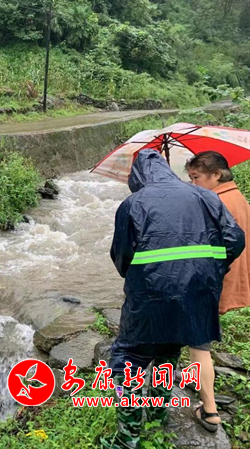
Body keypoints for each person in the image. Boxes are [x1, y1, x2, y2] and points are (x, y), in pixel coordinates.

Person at [101, 150, 245, 449]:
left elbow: (121, 256)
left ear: (138, 177)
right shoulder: (205, 196)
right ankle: (157, 415)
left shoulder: (133, 203)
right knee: (168, 353)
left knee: (129, 359)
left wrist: (143, 276)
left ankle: (128, 438)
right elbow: (235, 240)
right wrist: (209, 270)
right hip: (196, 295)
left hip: (149, 296)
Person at [186, 151, 250, 431]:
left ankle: (209, 410)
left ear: (217, 175)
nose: (194, 183)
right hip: (232, 279)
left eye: (196, 177)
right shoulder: (237, 196)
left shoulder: (215, 202)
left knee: (199, 344)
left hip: (213, 283)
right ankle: (196, 379)